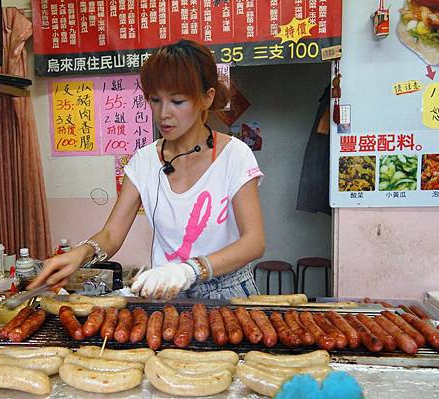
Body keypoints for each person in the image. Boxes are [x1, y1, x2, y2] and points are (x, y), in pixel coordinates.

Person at [29, 39, 265, 300]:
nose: (164, 113)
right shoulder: (143, 162)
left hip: (229, 291)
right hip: (168, 293)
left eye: (177, 101)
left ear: (206, 98)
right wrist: (80, 254)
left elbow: (254, 242)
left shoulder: (235, 155)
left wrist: (190, 270)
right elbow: (111, 234)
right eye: (155, 100)